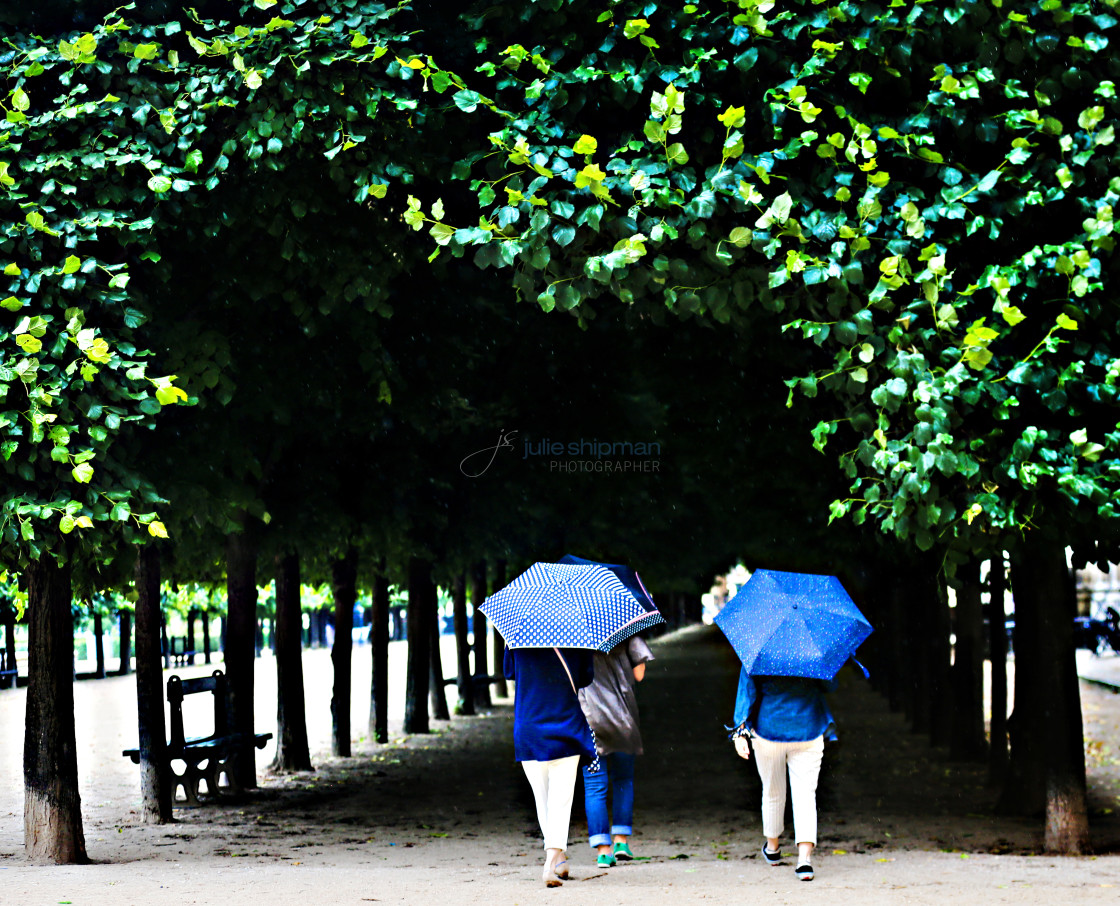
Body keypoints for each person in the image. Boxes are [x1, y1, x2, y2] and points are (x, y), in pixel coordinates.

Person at [729, 667, 837, 882]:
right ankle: (804, 861)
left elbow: (747, 692)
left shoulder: (758, 649)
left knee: (772, 791)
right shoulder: (813, 650)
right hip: (808, 728)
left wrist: (739, 732)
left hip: (769, 728)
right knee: (805, 795)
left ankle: (773, 848)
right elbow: (829, 686)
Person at [504, 645, 596, 887]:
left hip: (529, 726)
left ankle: (560, 860)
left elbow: (509, 672)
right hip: (565, 725)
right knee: (560, 800)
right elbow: (586, 677)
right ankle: (550, 862)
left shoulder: (517, 633)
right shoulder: (578, 635)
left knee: (543, 799)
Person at [578, 634, 654, 867]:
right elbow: (639, 675)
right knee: (623, 780)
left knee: (594, 785)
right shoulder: (625, 626)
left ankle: (603, 850)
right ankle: (621, 840)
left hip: (589, 720)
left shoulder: (573, 634)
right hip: (623, 719)